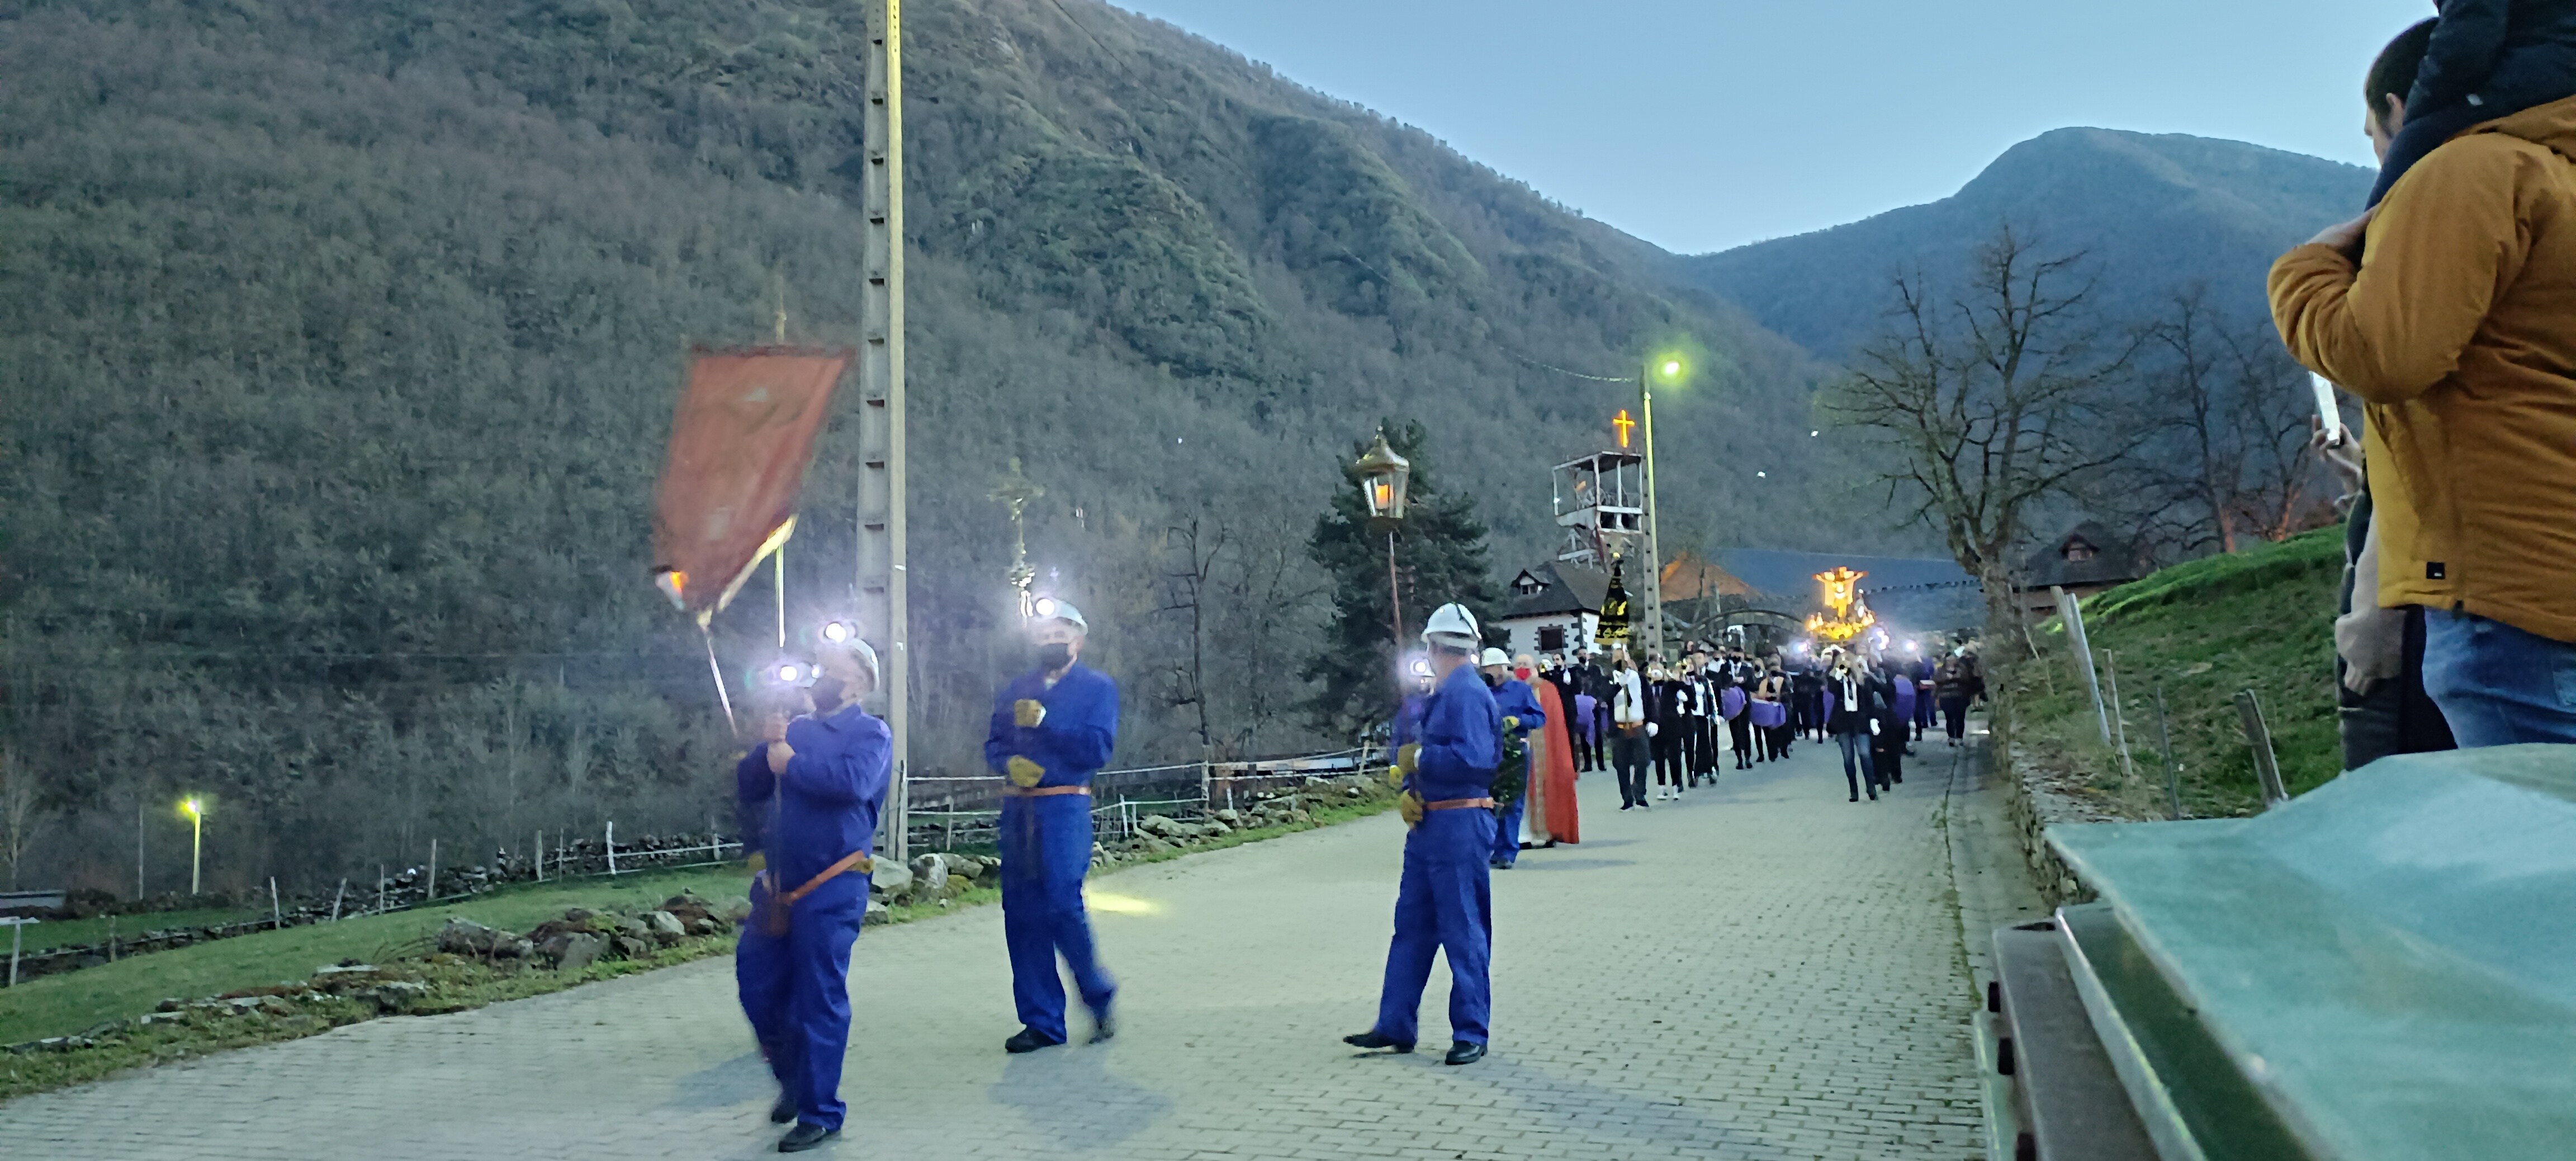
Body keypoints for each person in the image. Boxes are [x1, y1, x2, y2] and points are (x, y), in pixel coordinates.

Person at [2272, 14, 2576, 747]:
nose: (2380, 153)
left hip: (2506, 588)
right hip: (2551, 571)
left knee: (2529, 851)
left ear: (2401, 110)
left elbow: (2386, 358)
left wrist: (2303, 272)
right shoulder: (2559, 176)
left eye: (2373, 131)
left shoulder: (2473, 172)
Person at [734, 641, 892, 1153]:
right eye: (820, 668)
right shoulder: (794, 729)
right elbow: (750, 786)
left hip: (833, 884)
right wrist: (769, 743)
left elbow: (852, 783)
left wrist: (791, 763)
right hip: (778, 888)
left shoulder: (871, 733)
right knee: (757, 985)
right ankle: (794, 1081)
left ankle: (821, 1112)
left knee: (818, 998)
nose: (821, 677)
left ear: (860, 683)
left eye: (835, 671)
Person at [1346, 603, 1500, 1066]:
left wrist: (1422, 763)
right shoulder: (1446, 692)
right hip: (1430, 822)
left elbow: (1475, 760)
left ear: (1434, 647)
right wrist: (1411, 785)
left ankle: (1471, 1030)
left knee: (1463, 928)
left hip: (1459, 823)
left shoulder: (1467, 694)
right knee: (1411, 926)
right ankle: (1395, 1022)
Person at [984, 601, 1120, 1054]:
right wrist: (1008, 763)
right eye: (1042, 635)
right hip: (1019, 809)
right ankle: (1042, 1020)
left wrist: (1049, 723)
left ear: (1077, 640)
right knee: (1021, 913)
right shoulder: (1016, 689)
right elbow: (994, 743)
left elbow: (1097, 749)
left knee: (1062, 903)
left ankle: (1098, 996)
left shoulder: (1097, 688)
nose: (1049, 642)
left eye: (1058, 634)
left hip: (1065, 807)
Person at [2366, 4, 2576, 207]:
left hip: (2549, 67)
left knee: (2412, 142)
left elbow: (2465, 46)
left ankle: (2361, 237)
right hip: (2553, 60)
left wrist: (2416, 107)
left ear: (2393, 104)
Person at [1479, 649, 1546, 870]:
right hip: (1487, 752)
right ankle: (1490, 849)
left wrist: (1519, 721)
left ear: (1502, 667)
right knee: (1487, 802)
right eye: (1485, 668)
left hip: (1515, 752)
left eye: (1491, 668)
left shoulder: (1520, 690)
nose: (1489, 672)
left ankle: (1507, 852)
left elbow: (1539, 717)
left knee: (1512, 802)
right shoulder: (1481, 691)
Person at [1518, 652, 1582, 849]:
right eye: (1518, 664)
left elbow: (1556, 722)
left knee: (1545, 788)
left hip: (1544, 749)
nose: (1522, 668)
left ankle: (1546, 833)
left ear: (1535, 666)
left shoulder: (1547, 689)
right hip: (1519, 748)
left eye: (1526, 664)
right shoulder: (1510, 689)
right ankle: (1523, 834)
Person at [1826, 656, 1884, 803]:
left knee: (1865, 753)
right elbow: (1832, 690)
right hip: (1843, 721)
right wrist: (1839, 674)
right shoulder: (1837, 681)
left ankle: (1870, 787)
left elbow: (1870, 701)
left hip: (1861, 720)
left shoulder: (1863, 680)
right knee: (1848, 758)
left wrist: (1873, 719)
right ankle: (1854, 791)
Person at [1608, 650, 1650, 808]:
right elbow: (1606, 696)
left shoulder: (1639, 679)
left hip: (1638, 724)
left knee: (1644, 760)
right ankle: (1627, 799)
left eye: (1623, 658)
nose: (1620, 662)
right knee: (1621, 764)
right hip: (1620, 727)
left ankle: (1639, 793)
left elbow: (1649, 700)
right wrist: (1619, 683)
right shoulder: (1610, 679)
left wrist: (1653, 721)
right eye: (1617, 659)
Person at [1871, 658, 1909, 787]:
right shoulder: (1868, 676)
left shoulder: (1887, 679)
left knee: (1891, 746)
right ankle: (1881, 774)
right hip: (1877, 716)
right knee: (1878, 747)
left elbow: (1889, 692)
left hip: (1887, 716)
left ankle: (1893, 773)